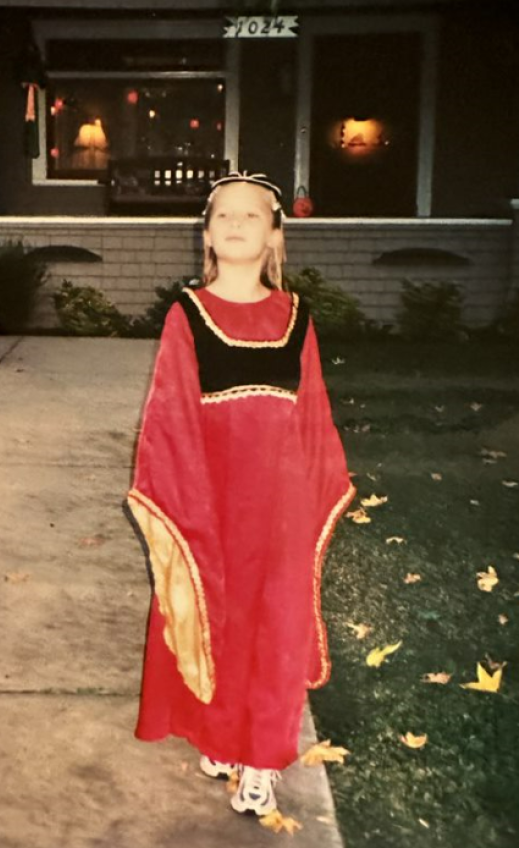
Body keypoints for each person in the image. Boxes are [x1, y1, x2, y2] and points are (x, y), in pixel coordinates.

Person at [126, 172, 353, 818]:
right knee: (218, 615)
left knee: (274, 624)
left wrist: (318, 490)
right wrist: (185, 507)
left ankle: (261, 756)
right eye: (221, 215)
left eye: (250, 216)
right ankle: (224, 736)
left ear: (275, 235)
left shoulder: (296, 316)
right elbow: (170, 415)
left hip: (280, 510)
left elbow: (313, 412)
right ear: (206, 235)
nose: (233, 224)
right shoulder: (188, 315)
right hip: (213, 499)